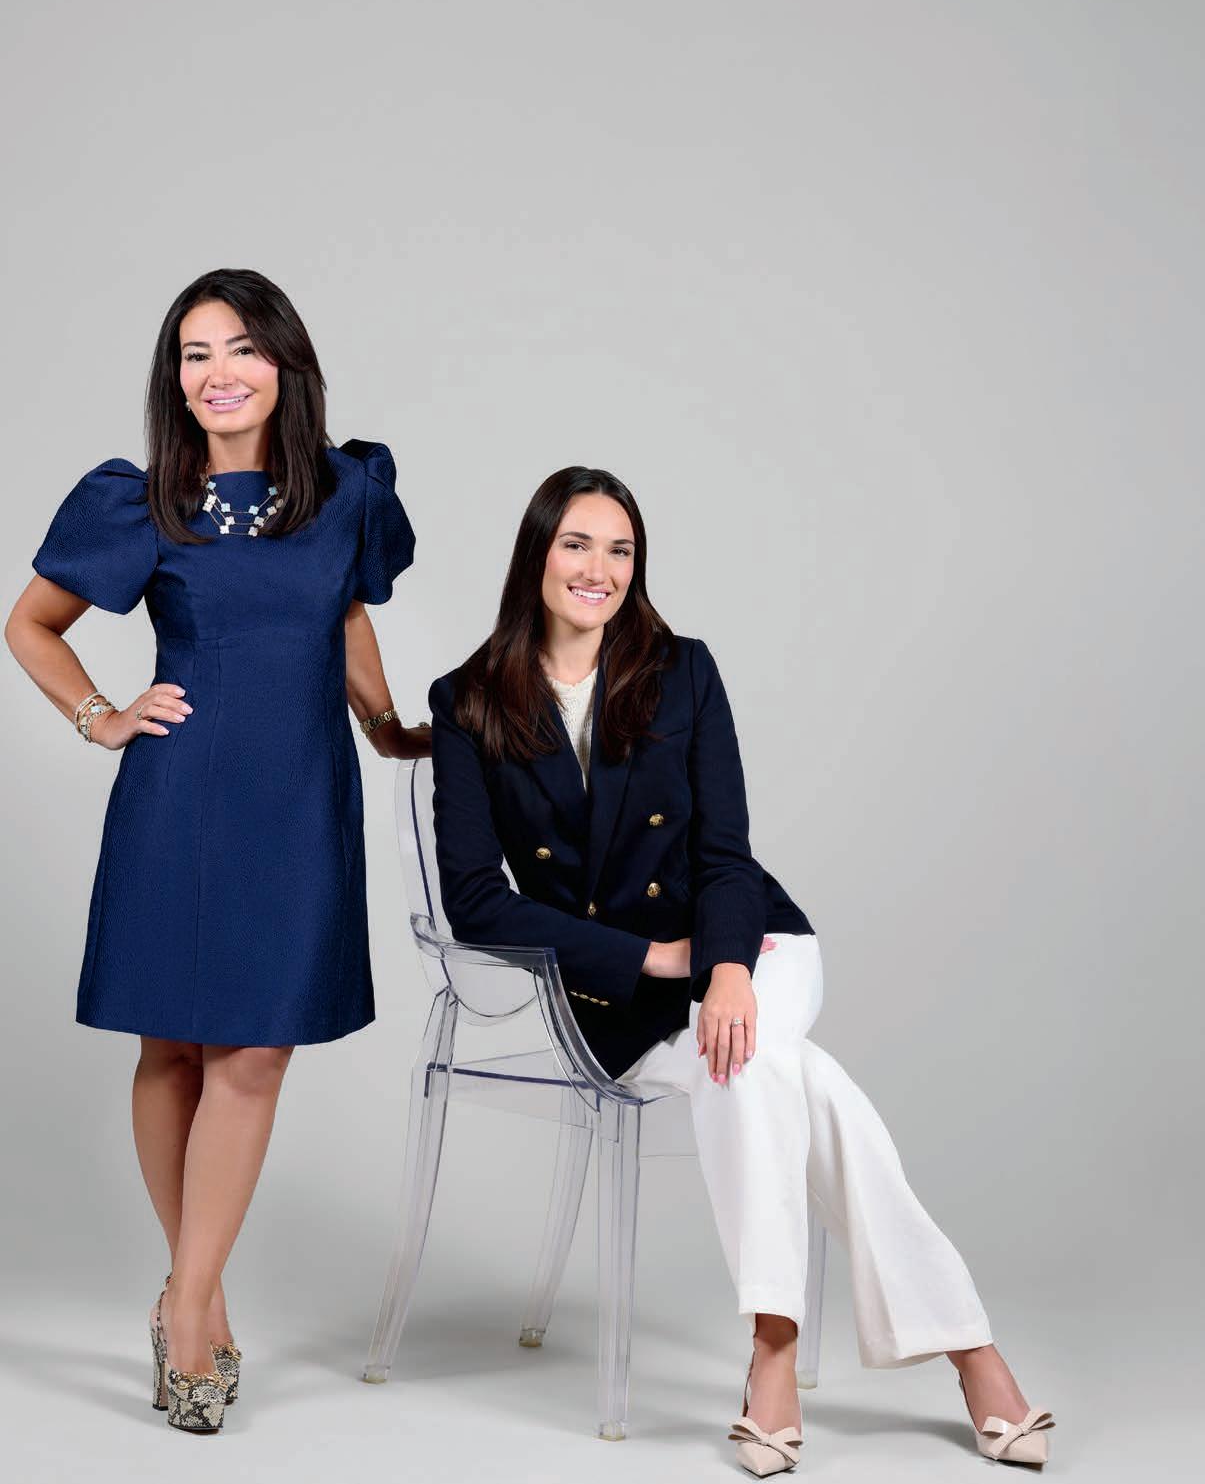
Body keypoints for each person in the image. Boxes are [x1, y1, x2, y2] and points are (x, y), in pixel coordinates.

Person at [426, 465, 1055, 1473]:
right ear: (535, 553)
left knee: (744, 1047)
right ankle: (967, 1347)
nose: (598, 569)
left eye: (620, 549)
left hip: (753, 943)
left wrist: (723, 970)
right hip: (616, 991)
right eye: (576, 543)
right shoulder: (466, 700)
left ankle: (772, 1349)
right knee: (774, 1071)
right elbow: (474, 898)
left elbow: (724, 851)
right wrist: (649, 957)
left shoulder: (681, 670)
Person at [5, 268, 430, 1435]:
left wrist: (385, 723)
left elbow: (347, 616)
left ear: (284, 361)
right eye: (194, 354)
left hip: (297, 799)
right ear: (175, 378)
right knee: (174, 1047)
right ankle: (199, 1302)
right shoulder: (142, 500)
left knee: (255, 1052)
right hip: (181, 797)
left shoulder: (346, 492)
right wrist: (100, 714)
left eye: (240, 347)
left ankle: (183, 1299)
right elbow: (29, 623)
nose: (217, 372)